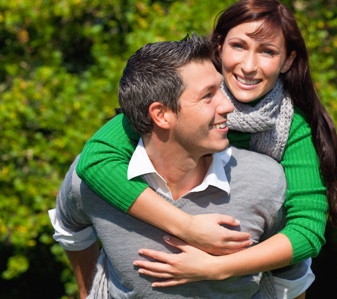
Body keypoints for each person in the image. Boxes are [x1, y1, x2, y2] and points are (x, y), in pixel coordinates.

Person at [75, 0, 337, 295]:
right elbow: (94, 161)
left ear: (287, 61)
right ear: (219, 47)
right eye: (239, 46)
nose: (249, 66)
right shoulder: (180, 95)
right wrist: (189, 228)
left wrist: (218, 268)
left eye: (267, 51)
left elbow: (307, 231)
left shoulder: (291, 127)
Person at [50, 34, 313, 298]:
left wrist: (219, 267)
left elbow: (292, 278)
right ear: (161, 115)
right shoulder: (90, 180)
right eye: (208, 96)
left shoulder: (266, 181)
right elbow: (70, 229)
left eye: (220, 89)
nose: (228, 105)